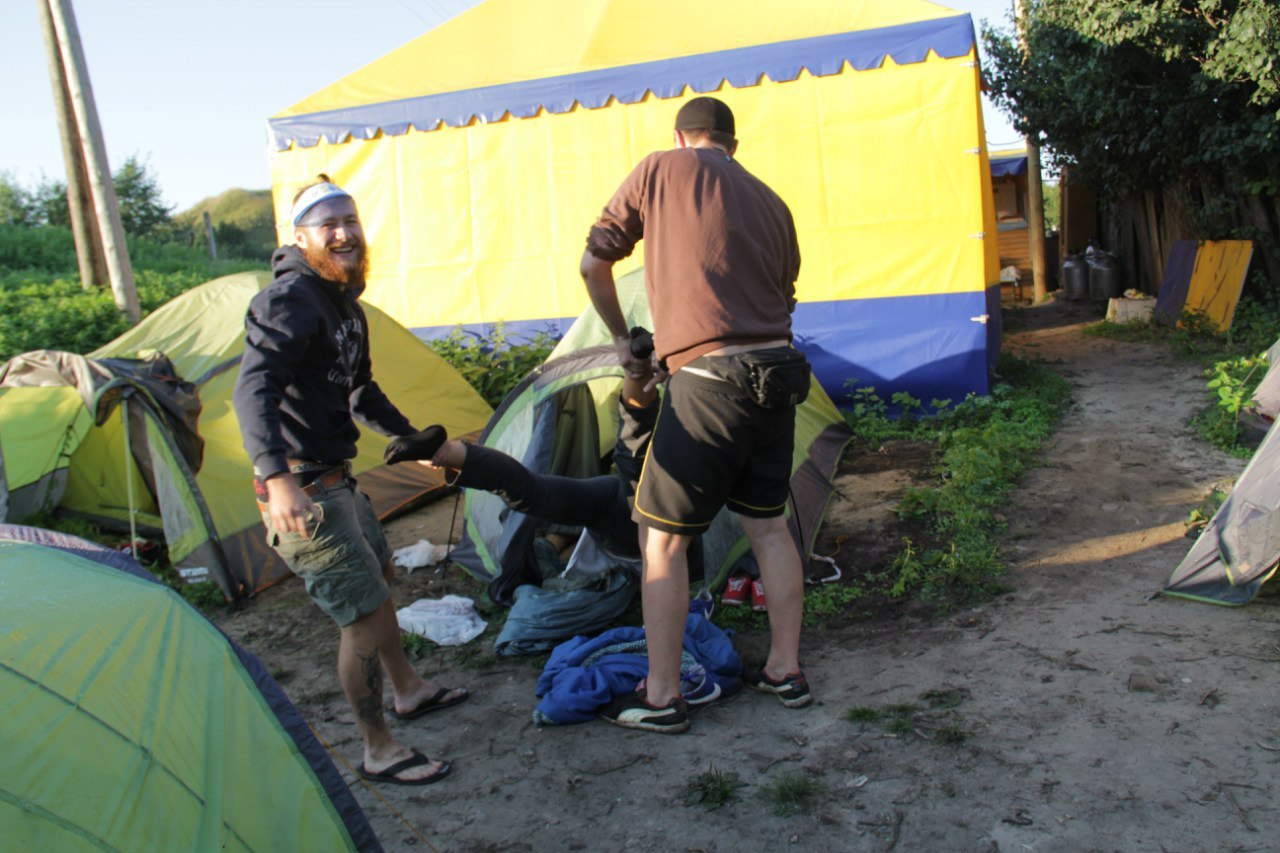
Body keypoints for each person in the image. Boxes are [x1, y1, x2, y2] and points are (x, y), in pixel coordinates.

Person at [579, 96, 813, 734]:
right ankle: (785, 670)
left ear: (682, 138)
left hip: (709, 381)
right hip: (778, 376)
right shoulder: (771, 200)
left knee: (663, 540)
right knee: (769, 528)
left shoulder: (659, 169)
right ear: (732, 145)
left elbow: (594, 262)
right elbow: (785, 296)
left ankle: (660, 697)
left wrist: (626, 339)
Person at [233, 176, 465, 785]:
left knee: (381, 582)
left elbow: (358, 387)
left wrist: (408, 434)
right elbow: (254, 389)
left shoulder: (344, 305)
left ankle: (408, 689)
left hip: (338, 480)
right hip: (303, 489)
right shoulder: (288, 300)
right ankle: (378, 749)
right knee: (359, 615)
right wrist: (274, 476)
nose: (343, 233)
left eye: (351, 220)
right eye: (328, 223)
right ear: (301, 236)